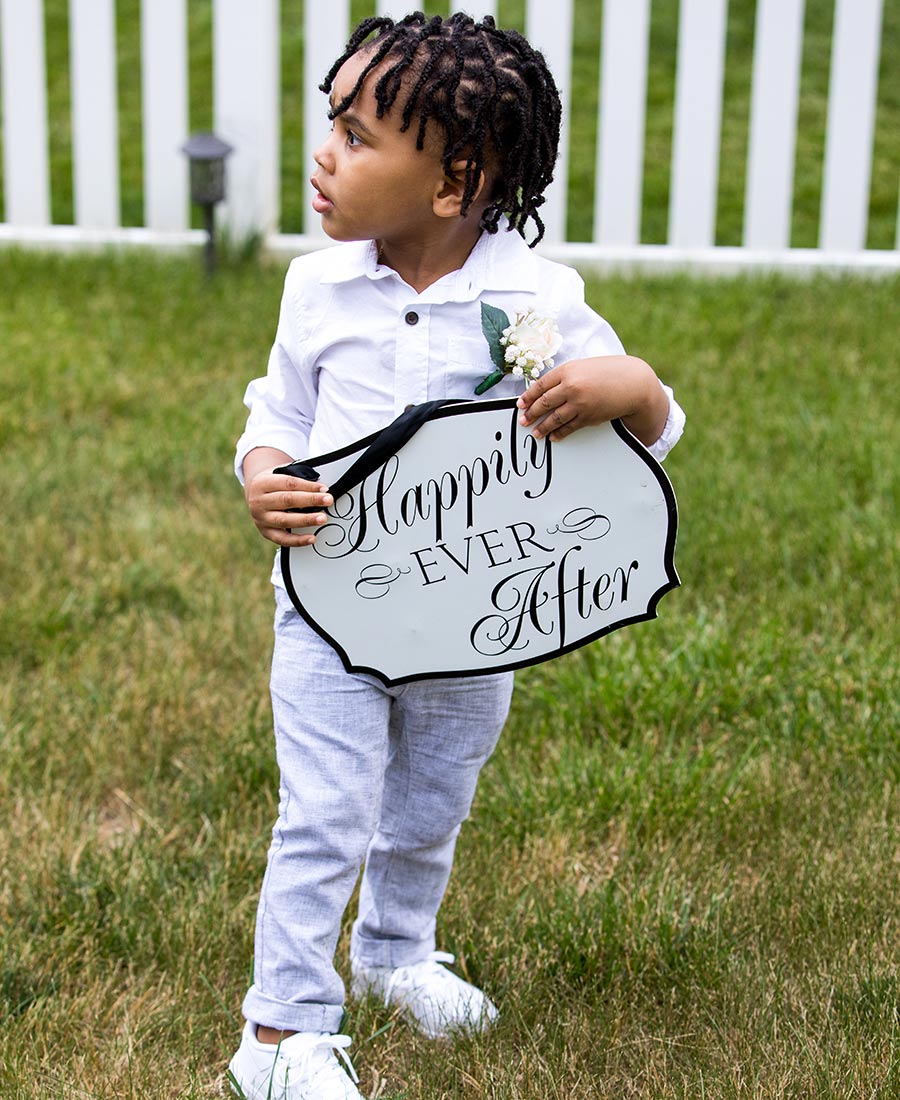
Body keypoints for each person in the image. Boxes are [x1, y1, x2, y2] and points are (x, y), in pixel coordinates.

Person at [228, 12, 684, 1099]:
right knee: (328, 805)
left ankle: (393, 953)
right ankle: (280, 1030)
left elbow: (655, 427)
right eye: (329, 121)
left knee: (433, 793)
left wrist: (623, 385)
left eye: (358, 134)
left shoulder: (534, 300)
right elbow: (274, 408)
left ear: (455, 181)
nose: (325, 153)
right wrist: (263, 469)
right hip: (336, 605)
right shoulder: (318, 287)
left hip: (472, 618)